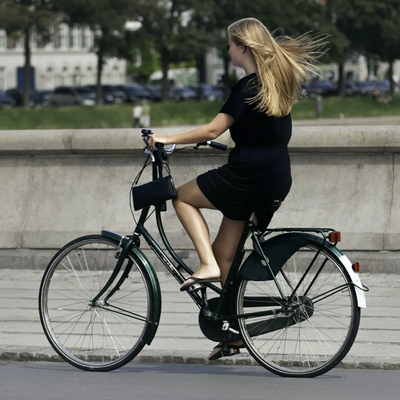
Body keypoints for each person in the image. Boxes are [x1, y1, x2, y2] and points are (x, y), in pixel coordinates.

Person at [148, 17, 325, 359]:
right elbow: (260, 131)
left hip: (247, 175)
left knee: (181, 196)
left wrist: (167, 138)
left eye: (229, 44)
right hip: (275, 177)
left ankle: (205, 267)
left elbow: (213, 130)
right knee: (225, 251)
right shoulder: (277, 83)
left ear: (242, 47)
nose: (227, 49)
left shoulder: (248, 86)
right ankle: (234, 331)